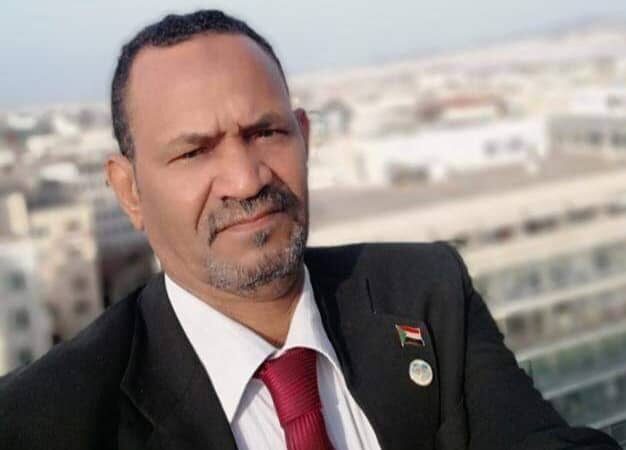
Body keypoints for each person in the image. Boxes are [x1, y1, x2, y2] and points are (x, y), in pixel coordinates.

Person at [0, 10, 620, 450]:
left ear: (304, 136)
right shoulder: (45, 420)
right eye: (194, 152)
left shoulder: (424, 293)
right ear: (129, 191)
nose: (245, 179)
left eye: (266, 132)